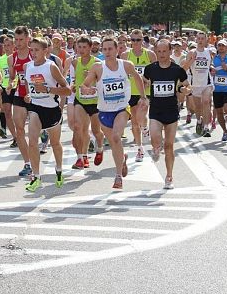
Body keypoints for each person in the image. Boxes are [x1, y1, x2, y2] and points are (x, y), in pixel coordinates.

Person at [82, 36, 147, 189]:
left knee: (117, 137)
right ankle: (122, 158)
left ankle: (118, 176)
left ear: (118, 50)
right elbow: (85, 84)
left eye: (110, 48)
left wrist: (143, 97)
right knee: (114, 143)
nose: (107, 52)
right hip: (104, 111)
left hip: (122, 108)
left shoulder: (126, 65)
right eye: (104, 49)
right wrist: (87, 88)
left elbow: (138, 78)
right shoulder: (98, 67)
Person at [23, 37, 71, 191]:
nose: (33, 52)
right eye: (32, 49)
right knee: (32, 141)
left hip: (52, 109)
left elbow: (67, 89)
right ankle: (36, 177)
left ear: (45, 51)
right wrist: (29, 94)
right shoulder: (28, 66)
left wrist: (48, 90)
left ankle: (59, 170)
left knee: (55, 143)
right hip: (36, 108)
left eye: (37, 50)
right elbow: (28, 84)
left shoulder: (51, 67)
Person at [143, 39, 191, 189]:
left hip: (171, 110)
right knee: (155, 137)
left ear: (170, 52)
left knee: (169, 146)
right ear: (155, 52)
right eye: (159, 51)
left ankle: (169, 176)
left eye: (165, 51)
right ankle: (156, 147)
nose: (162, 54)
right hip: (156, 110)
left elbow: (186, 85)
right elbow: (143, 83)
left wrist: (184, 91)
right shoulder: (150, 69)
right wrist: (142, 96)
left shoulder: (177, 70)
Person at [122, 29, 156, 162]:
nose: (135, 42)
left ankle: (145, 128)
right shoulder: (125, 55)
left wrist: (149, 81)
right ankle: (139, 148)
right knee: (135, 122)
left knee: (141, 117)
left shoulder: (150, 55)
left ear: (143, 40)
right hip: (130, 92)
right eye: (133, 40)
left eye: (138, 40)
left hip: (144, 92)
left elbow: (157, 72)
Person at [71, 35, 105, 168]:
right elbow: (73, 79)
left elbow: (102, 82)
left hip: (95, 102)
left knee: (96, 131)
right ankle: (81, 157)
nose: (81, 50)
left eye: (84, 47)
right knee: (79, 128)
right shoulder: (75, 62)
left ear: (91, 48)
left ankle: (100, 148)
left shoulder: (97, 63)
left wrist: (92, 78)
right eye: (79, 47)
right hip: (80, 100)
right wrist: (73, 85)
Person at [7, 26, 33, 177]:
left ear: (28, 39)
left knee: (35, 130)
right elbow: (12, 77)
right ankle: (27, 163)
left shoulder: (34, 54)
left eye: (21, 39)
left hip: (36, 96)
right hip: (20, 95)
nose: (18, 43)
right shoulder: (12, 58)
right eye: (16, 40)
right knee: (20, 130)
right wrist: (10, 85)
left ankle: (43, 134)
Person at [183, 32, 214, 137]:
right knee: (198, 107)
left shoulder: (209, 52)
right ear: (196, 40)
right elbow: (185, 68)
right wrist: (192, 60)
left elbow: (210, 65)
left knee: (206, 102)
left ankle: (206, 127)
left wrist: (212, 68)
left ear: (206, 40)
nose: (200, 40)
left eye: (202, 38)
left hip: (207, 83)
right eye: (199, 38)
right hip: (195, 84)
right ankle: (199, 120)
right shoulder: (191, 52)